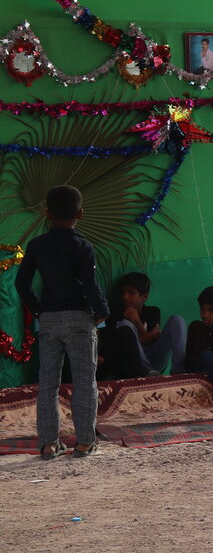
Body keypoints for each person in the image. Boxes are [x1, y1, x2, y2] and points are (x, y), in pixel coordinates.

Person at [15, 185, 110, 459]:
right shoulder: (83, 246)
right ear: (81, 213)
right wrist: (102, 310)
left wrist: (39, 309)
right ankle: (84, 442)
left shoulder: (36, 245)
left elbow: (22, 284)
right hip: (80, 319)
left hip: (49, 320)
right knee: (84, 381)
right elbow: (91, 285)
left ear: (47, 213)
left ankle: (49, 444)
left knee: (48, 383)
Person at [98, 272, 186, 378]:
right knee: (126, 325)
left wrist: (136, 321)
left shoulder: (152, 311)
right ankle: (148, 373)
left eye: (131, 292)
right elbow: (115, 343)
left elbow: (153, 340)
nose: (125, 296)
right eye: (123, 292)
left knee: (177, 320)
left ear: (144, 296)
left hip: (154, 360)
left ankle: (179, 371)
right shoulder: (115, 313)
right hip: (131, 365)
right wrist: (149, 336)